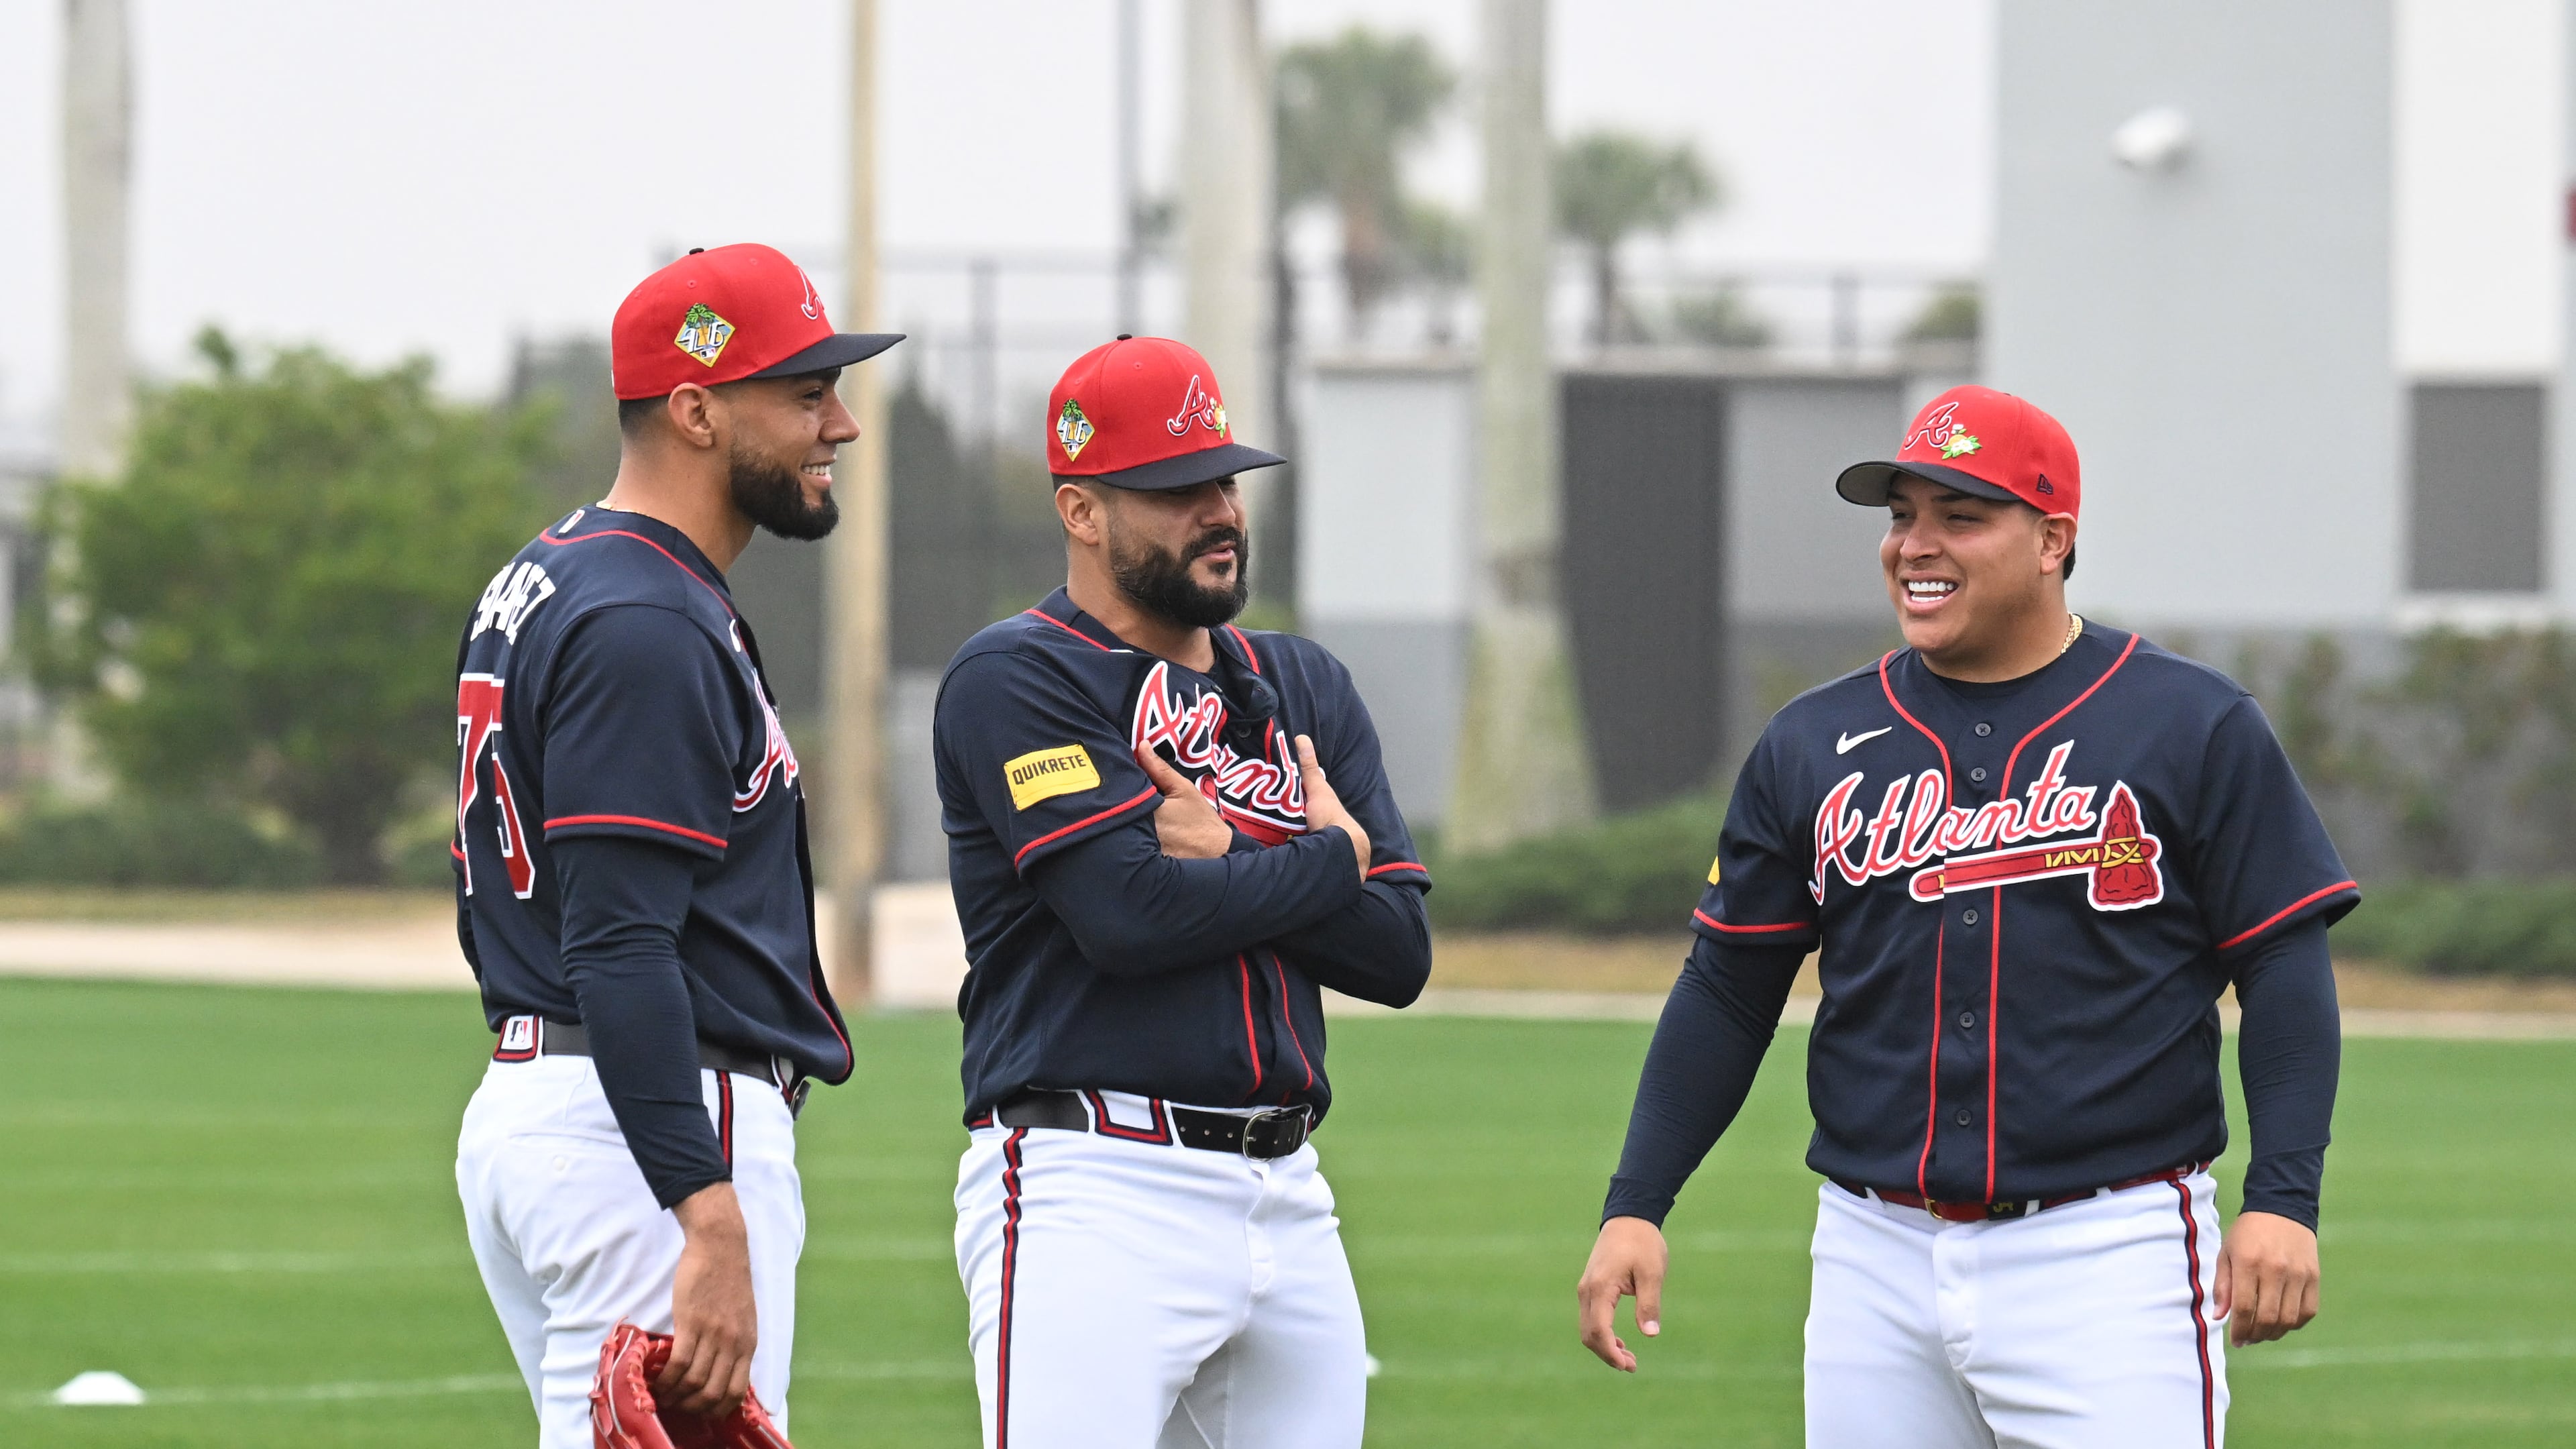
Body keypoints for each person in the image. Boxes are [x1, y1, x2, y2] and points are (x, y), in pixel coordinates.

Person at [1576, 385, 2355, 1446]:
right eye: (1902, 514)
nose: (1915, 545)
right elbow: (1727, 986)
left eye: (1961, 515)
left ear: (2053, 540)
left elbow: (2284, 968)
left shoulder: (2188, 722)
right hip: (1870, 1254)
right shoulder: (1816, 739)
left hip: (2106, 1253)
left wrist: (2284, 1198)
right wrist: (1638, 1200)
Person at [932, 335, 1434, 1449]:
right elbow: (1128, 918)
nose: (1217, 508)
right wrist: (1321, 859)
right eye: (1172, 490)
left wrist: (1225, 862)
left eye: (1223, 478)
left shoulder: (1301, 682)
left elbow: (1398, 954)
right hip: (1092, 1184)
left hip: (1288, 1190)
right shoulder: (1018, 677)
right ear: (1081, 511)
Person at [451, 243, 898, 1446]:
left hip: (555, 1097)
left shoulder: (552, 575)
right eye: (805, 394)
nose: (840, 426)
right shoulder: (646, 617)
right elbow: (618, 937)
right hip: (644, 1129)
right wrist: (705, 1207)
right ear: (697, 410)